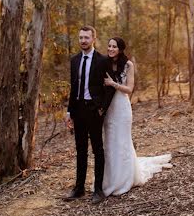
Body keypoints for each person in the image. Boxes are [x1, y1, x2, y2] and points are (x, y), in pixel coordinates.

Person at [102, 37, 172, 196]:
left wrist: (113, 83)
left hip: (122, 107)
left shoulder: (128, 65)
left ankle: (125, 179)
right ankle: (110, 179)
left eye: (114, 46)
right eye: (109, 46)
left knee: (122, 141)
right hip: (108, 108)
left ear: (120, 49)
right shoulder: (105, 63)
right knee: (111, 143)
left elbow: (129, 89)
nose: (111, 49)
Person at [65, 26, 114, 204]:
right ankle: (79, 188)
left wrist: (103, 108)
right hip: (78, 110)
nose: (83, 40)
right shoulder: (74, 60)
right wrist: (69, 111)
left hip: (94, 110)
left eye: (86, 37)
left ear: (93, 38)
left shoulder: (102, 60)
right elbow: (73, 87)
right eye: (80, 38)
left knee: (97, 149)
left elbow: (110, 87)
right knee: (80, 150)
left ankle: (98, 190)